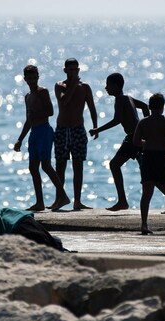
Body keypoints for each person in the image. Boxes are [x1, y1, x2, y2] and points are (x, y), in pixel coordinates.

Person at [89, 72, 149, 211]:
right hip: (135, 137)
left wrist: (98, 129)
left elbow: (117, 120)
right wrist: (146, 128)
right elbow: (145, 106)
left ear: (116, 86)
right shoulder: (128, 98)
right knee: (145, 170)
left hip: (133, 138)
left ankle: (122, 201)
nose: (106, 88)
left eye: (108, 85)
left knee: (116, 165)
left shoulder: (120, 100)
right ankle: (122, 201)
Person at [14, 65, 70, 212]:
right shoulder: (27, 97)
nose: (32, 81)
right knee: (33, 167)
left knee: (45, 165)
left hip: (44, 131)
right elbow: (28, 120)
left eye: (34, 78)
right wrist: (20, 139)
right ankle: (39, 202)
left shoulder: (42, 92)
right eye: (29, 78)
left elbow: (50, 111)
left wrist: (36, 114)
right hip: (34, 133)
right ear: (25, 79)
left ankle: (62, 196)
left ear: (38, 77)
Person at [133, 93, 165, 234]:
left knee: (147, 193)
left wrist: (145, 142)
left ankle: (144, 225)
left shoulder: (143, 122)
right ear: (163, 107)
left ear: (149, 107)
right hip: (162, 157)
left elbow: (135, 141)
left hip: (148, 157)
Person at [54, 58, 98, 210]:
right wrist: (72, 84)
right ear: (65, 70)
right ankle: (59, 198)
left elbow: (92, 107)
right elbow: (64, 101)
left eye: (75, 69)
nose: (73, 72)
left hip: (78, 129)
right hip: (62, 129)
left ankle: (77, 201)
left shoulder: (85, 87)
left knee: (78, 165)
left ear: (79, 70)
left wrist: (95, 126)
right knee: (60, 165)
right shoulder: (60, 86)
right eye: (70, 70)